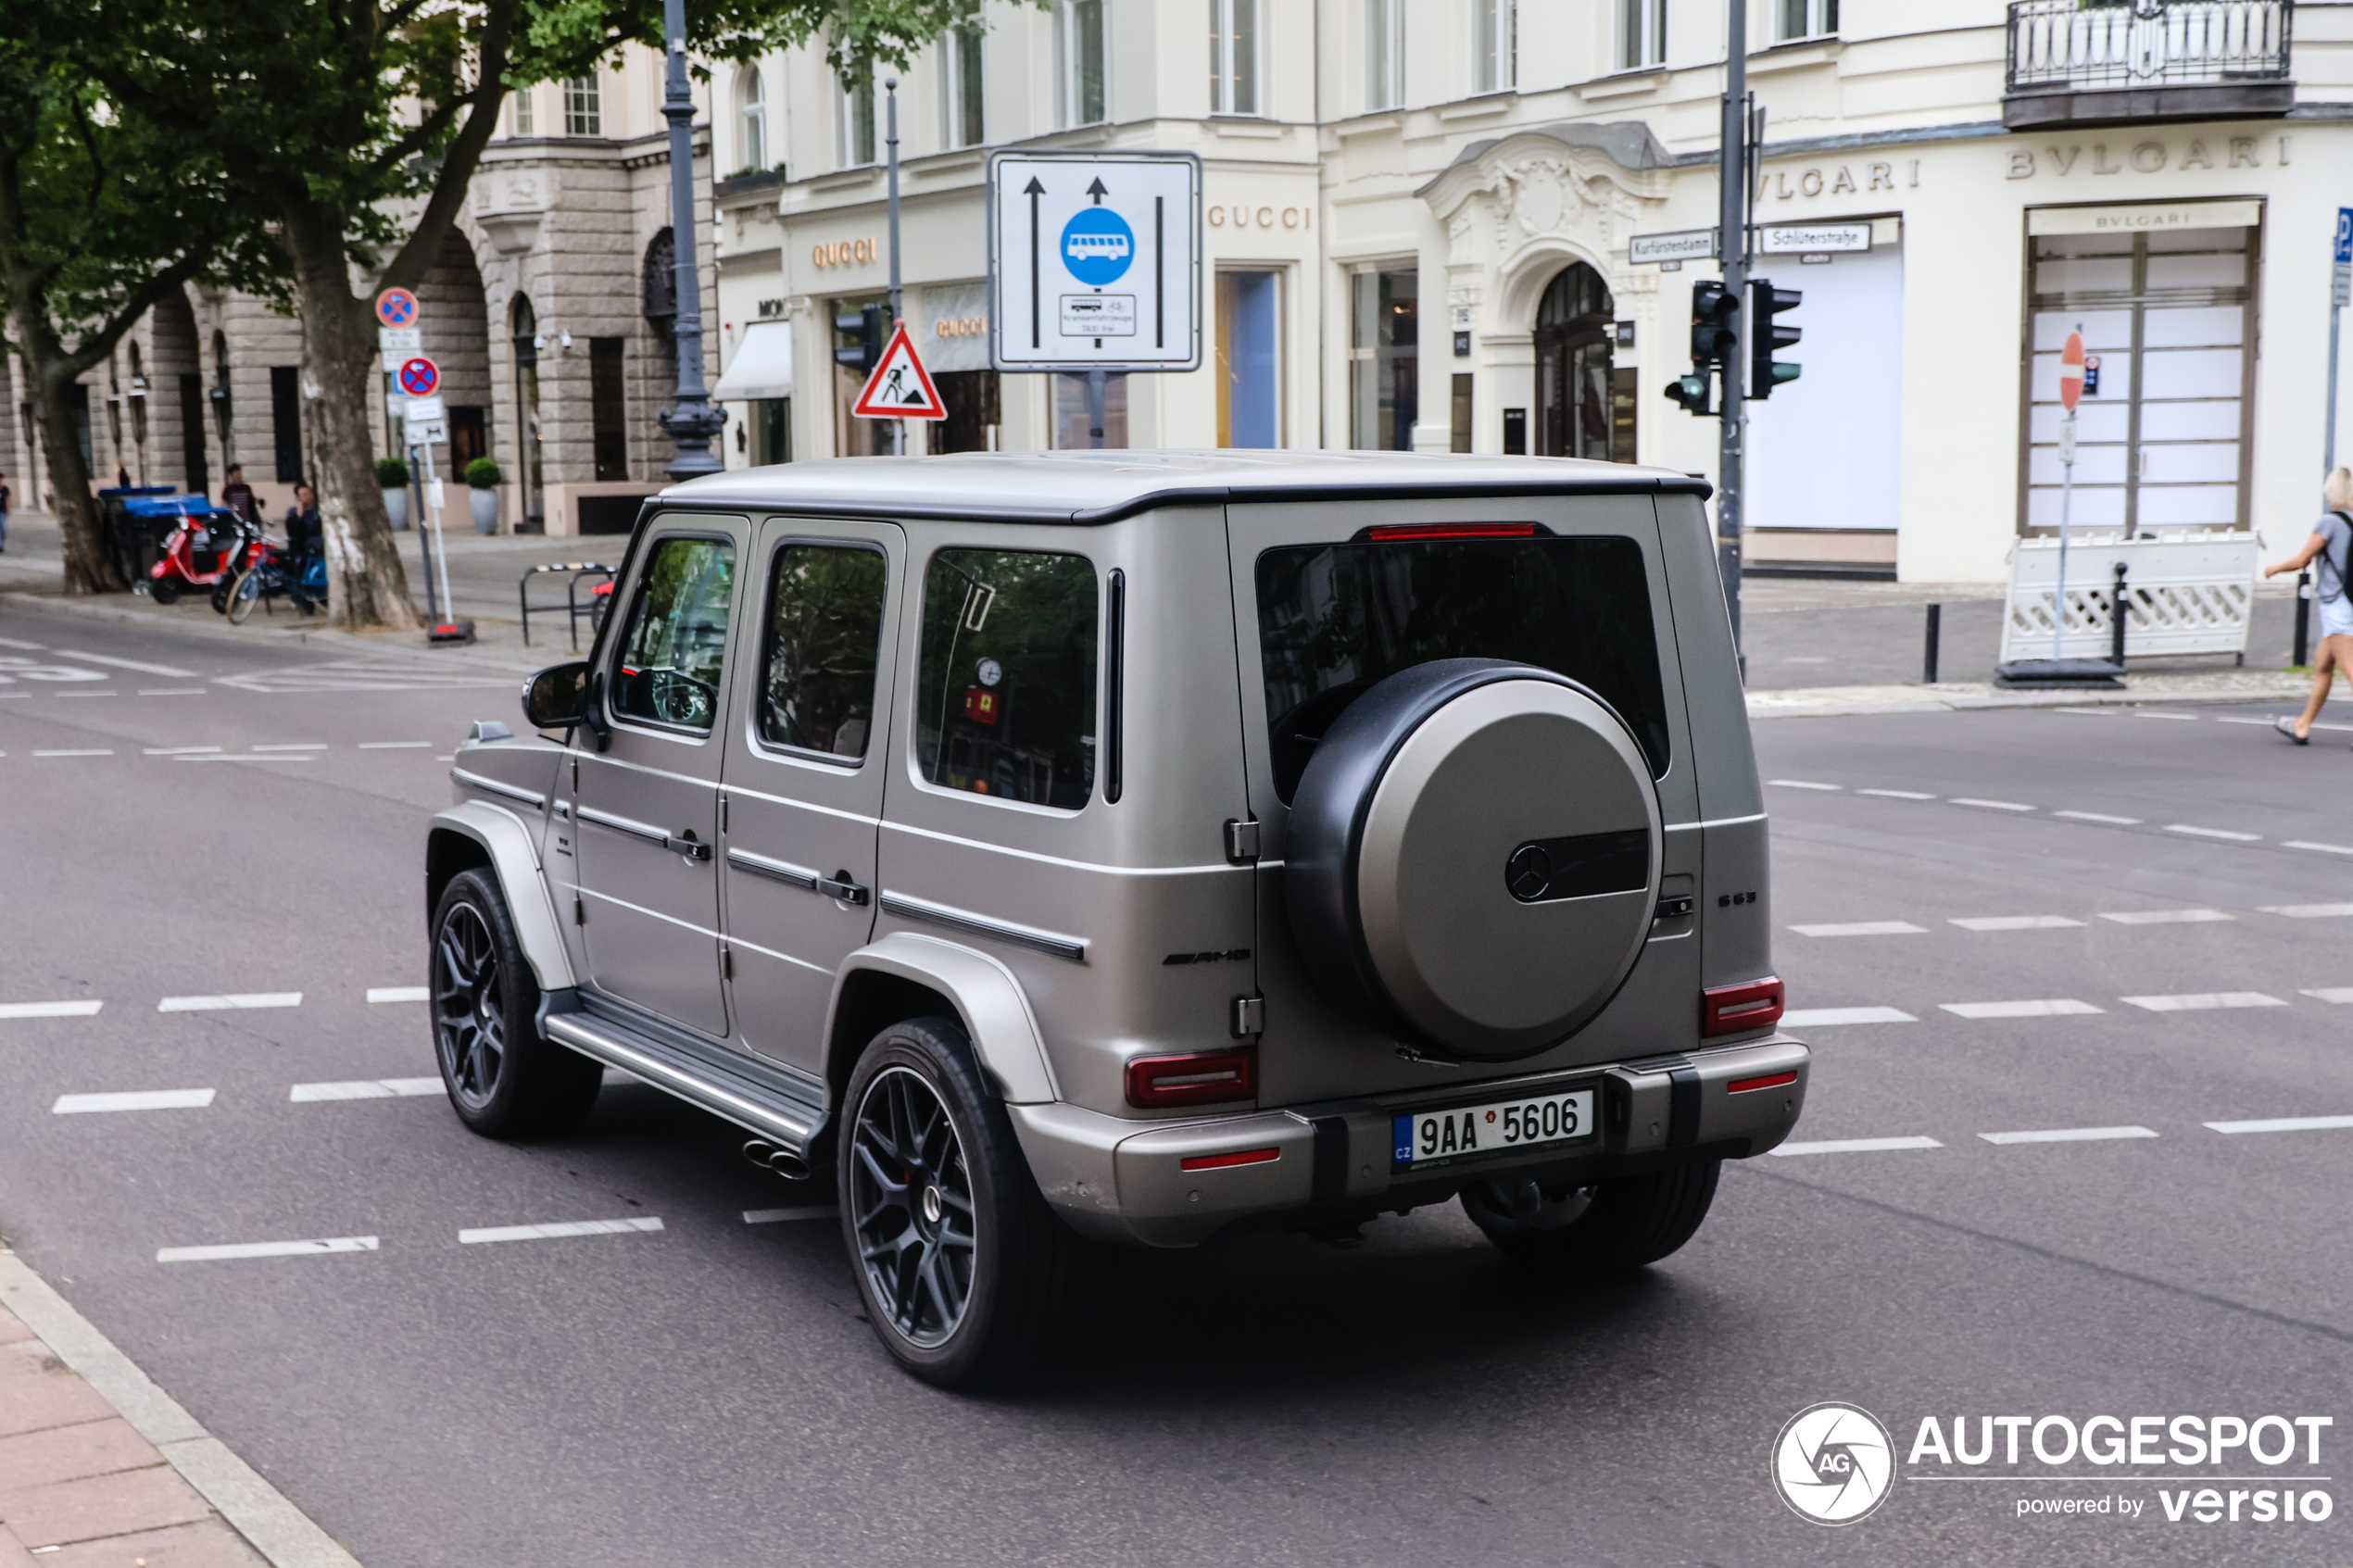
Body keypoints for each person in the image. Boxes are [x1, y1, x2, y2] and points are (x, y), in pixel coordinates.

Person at [2263, 466, 2353, 744]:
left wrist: (2275, 568)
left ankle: (2303, 724)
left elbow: (2303, 560)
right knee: (2323, 666)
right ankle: (2303, 724)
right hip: (2348, 601)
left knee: (2350, 668)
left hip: (2336, 603)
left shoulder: (2329, 522)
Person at [283, 482, 323, 614]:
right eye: (303, 495)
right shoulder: (293, 513)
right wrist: (298, 517)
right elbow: (293, 533)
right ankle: (303, 601)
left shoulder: (318, 511)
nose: (307, 497)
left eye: (308, 493)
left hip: (318, 547)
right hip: (302, 549)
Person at [0, 470, 10, 553]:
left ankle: (2, 542)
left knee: (3, 528)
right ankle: (0, 546)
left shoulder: (5, 489)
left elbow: (8, 499)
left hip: (3, 511)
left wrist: (9, 508)